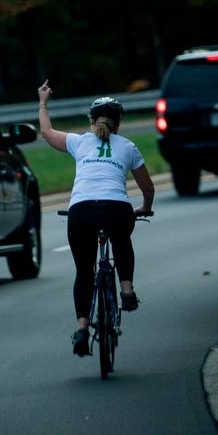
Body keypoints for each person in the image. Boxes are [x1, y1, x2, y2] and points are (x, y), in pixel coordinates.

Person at [37, 79, 155, 357]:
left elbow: (46, 132)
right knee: (122, 240)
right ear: (119, 123)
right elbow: (147, 187)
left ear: (92, 121)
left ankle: (81, 328)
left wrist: (43, 101)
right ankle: (126, 289)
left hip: (81, 211)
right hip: (117, 209)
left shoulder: (79, 142)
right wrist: (145, 206)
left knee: (84, 271)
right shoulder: (128, 146)